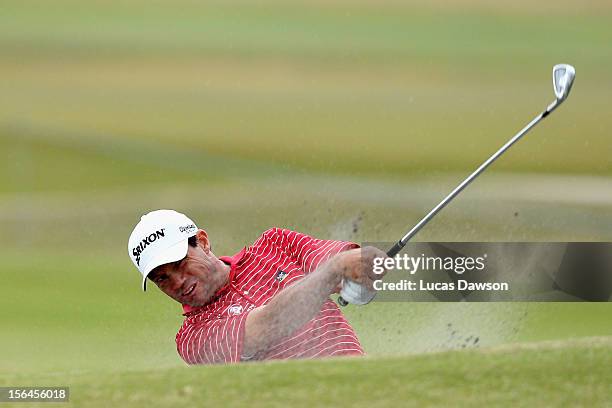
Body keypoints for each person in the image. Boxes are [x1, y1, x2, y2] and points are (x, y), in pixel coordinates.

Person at [127, 209, 387, 365]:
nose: (178, 281)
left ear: (203, 242)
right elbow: (266, 326)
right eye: (162, 278)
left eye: (181, 263)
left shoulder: (276, 244)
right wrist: (332, 271)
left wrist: (365, 264)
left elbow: (343, 262)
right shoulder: (193, 339)